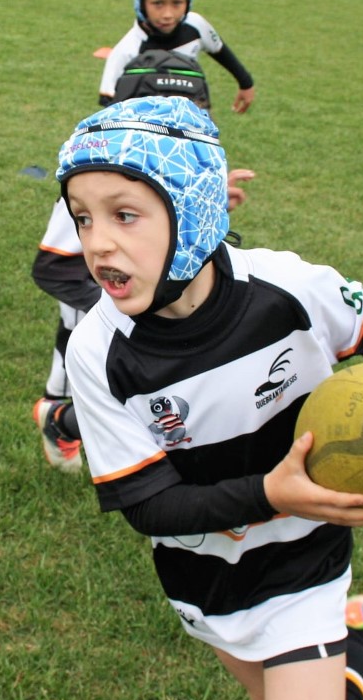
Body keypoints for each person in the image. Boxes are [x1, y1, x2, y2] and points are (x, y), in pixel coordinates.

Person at [51, 95, 363, 700]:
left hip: (305, 547)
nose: (97, 243)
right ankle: (352, 698)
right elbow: (149, 505)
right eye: (83, 217)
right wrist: (268, 493)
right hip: (201, 572)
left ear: (192, 213)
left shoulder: (285, 288)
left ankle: (355, 648)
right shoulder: (98, 351)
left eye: (125, 214)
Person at [32, 51, 254, 473]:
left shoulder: (173, 172)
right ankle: (60, 422)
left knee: (159, 392)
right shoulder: (98, 185)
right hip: (109, 308)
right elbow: (50, 267)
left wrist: (204, 206)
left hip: (148, 302)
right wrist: (121, 302)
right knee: (127, 395)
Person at [98, 0, 255, 114]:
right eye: (158, 3)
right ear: (141, 3)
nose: (168, 14)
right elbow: (108, 111)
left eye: (177, 3)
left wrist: (246, 83)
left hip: (191, 126)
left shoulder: (196, 26)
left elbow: (220, 50)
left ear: (188, 2)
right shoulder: (126, 51)